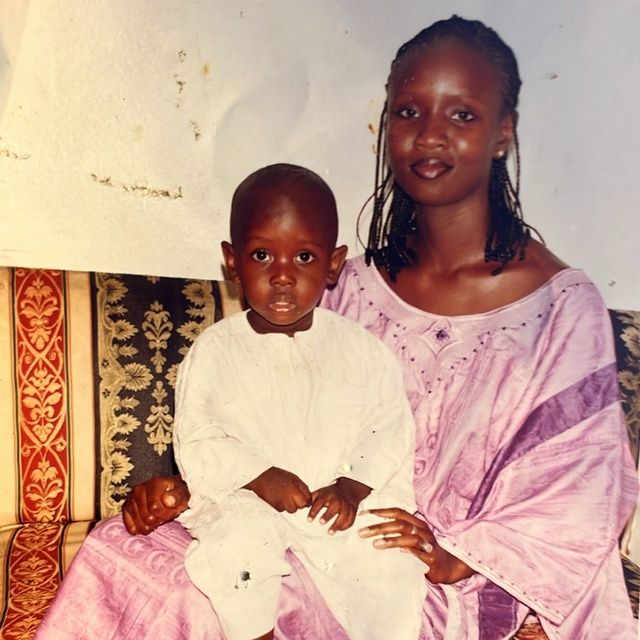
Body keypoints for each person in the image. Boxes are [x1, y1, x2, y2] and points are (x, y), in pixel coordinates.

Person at [35, 15, 637, 640]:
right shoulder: (346, 286)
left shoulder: (561, 309)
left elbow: (582, 483)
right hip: (305, 526)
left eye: (462, 115)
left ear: (503, 131)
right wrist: (188, 491)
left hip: (422, 572)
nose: (431, 134)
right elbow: (272, 427)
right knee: (124, 548)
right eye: (409, 112)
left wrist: (456, 555)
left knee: (206, 600)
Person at [172, 163, 426, 640]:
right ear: (232, 261)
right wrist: (258, 475)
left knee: (391, 565)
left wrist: (352, 487)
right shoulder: (215, 350)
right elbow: (197, 436)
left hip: (338, 505)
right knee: (235, 552)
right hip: (249, 501)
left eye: (305, 257)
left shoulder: (361, 349)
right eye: (262, 255)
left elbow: (388, 426)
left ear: (333, 264)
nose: (283, 277)